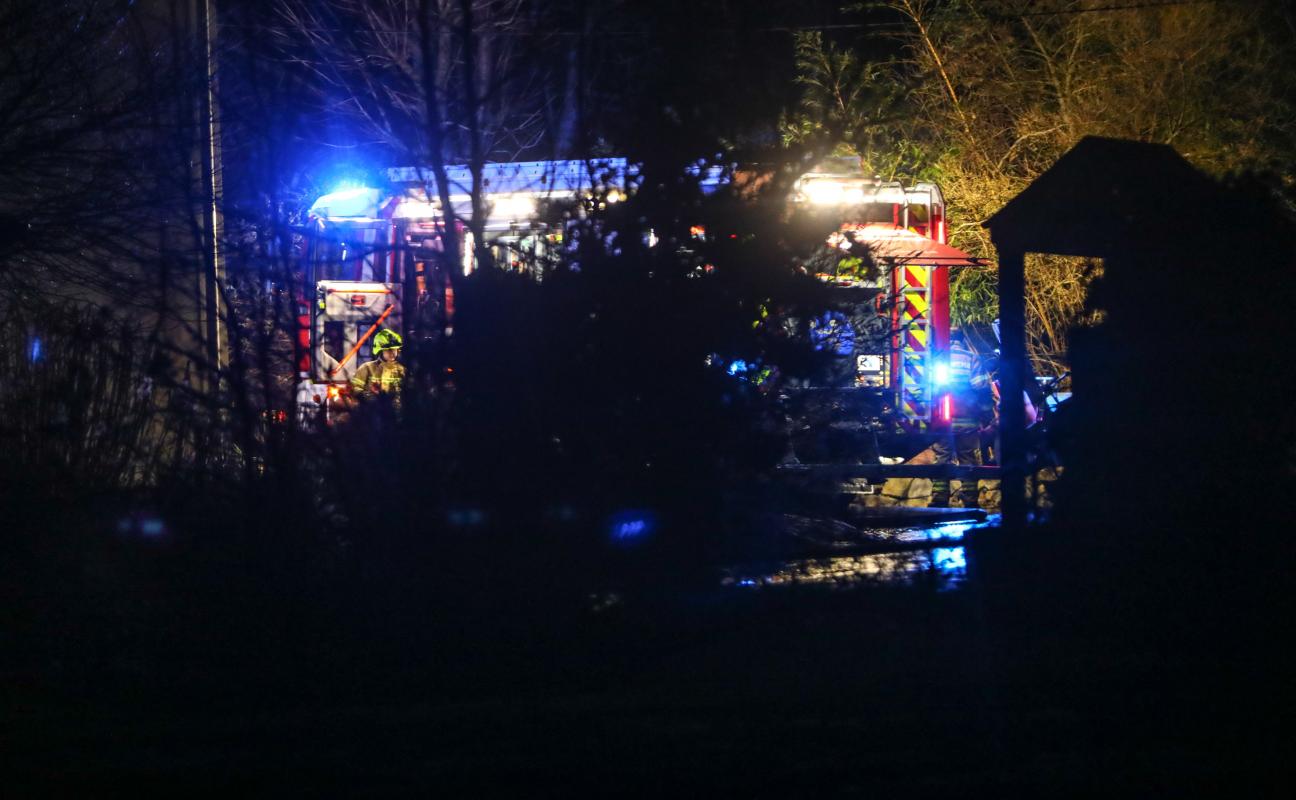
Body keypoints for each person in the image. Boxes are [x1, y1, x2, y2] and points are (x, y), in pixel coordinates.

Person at [931, 329, 988, 508]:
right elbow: (980, 386)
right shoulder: (972, 358)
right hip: (967, 419)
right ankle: (970, 498)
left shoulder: (936, 359)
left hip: (942, 420)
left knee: (942, 458)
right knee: (968, 458)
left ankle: (939, 498)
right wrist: (986, 413)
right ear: (963, 340)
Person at [351, 328, 406, 397]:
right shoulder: (366, 368)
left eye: (394, 349)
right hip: (372, 403)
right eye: (388, 350)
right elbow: (354, 389)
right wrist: (369, 396)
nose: (392, 353)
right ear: (380, 351)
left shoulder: (402, 370)